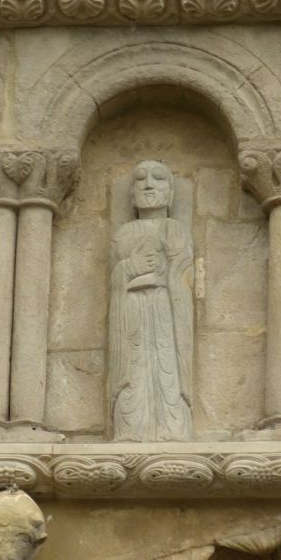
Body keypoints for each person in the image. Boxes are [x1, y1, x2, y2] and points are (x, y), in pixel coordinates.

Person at [108, 160, 194, 441]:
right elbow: (115, 276)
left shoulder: (175, 229)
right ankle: (130, 429)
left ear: (170, 193)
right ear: (131, 194)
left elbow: (183, 275)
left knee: (166, 365)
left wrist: (169, 267)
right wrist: (130, 268)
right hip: (132, 310)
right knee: (134, 367)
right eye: (140, 179)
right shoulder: (123, 234)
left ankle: (172, 428)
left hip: (164, 309)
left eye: (158, 178)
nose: (148, 185)